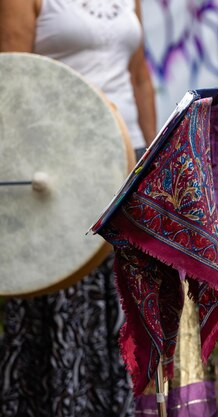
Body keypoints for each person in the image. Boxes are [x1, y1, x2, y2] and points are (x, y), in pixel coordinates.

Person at [0, 0, 155, 415]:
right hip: (63, 169)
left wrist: (155, 158)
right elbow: (14, 87)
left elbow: (139, 78)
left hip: (129, 161)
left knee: (124, 300)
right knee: (70, 302)